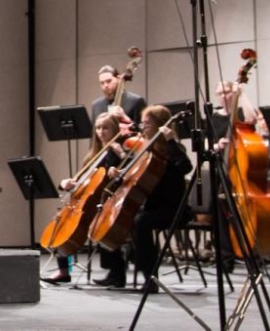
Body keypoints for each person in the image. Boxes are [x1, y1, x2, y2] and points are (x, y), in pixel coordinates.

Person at [43, 113, 129, 284]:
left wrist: (122, 156)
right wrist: (66, 183)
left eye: (106, 128)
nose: (101, 131)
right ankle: (63, 271)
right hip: (90, 200)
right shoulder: (94, 156)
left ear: (115, 129)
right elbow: (82, 181)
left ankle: (117, 273)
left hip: (109, 201)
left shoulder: (118, 152)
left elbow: (127, 174)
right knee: (61, 221)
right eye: (98, 128)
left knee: (103, 226)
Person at [116, 105, 192, 292]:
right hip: (154, 207)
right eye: (144, 123)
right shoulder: (146, 150)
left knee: (142, 221)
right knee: (128, 217)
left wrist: (171, 141)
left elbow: (186, 167)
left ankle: (150, 277)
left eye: (148, 124)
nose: (144, 128)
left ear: (160, 125)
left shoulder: (173, 149)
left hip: (174, 209)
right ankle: (126, 268)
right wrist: (119, 173)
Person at [92, 65, 146, 133]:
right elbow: (94, 135)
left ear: (118, 79)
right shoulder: (96, 105)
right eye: (102, 83)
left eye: (109, 81)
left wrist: (126, 118)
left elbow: (143, 131)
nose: (105, 86)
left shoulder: (136, 101)